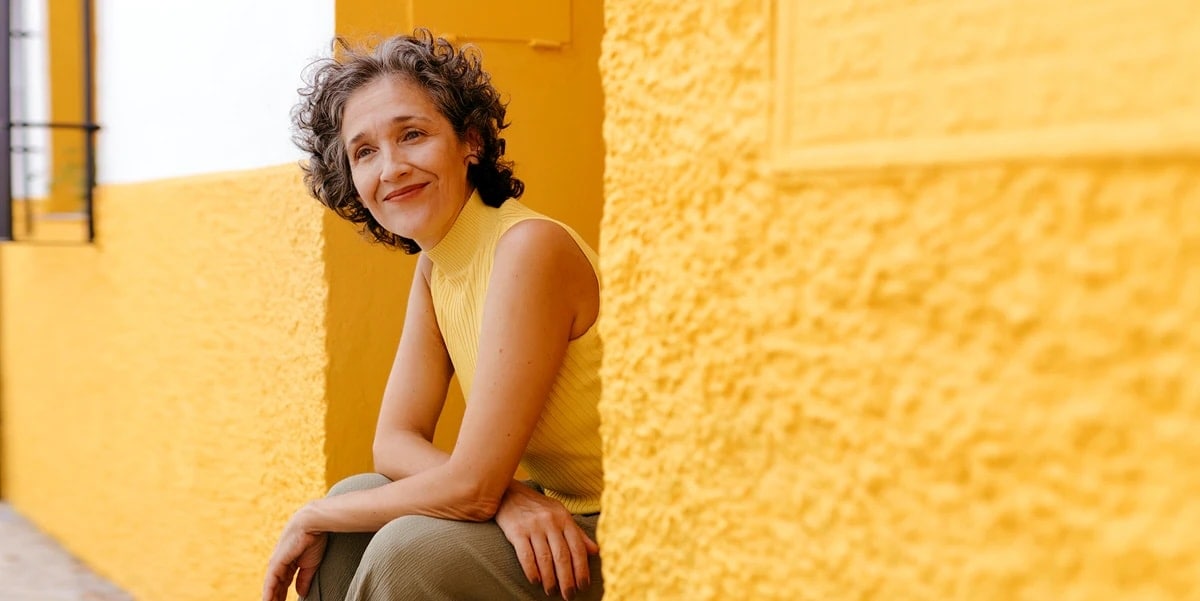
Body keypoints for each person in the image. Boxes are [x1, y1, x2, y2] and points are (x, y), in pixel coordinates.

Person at [262, 30, 605, 601]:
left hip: (611, 527)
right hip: (549, 510)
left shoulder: (528, 248)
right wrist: (509, 496)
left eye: (413, 135)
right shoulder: (436, 266)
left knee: (407, 552)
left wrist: (311, 514)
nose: (391, 168)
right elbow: (393, 442)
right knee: (357, 500)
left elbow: (469, 487)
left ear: (470, 140)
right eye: (364, 151)